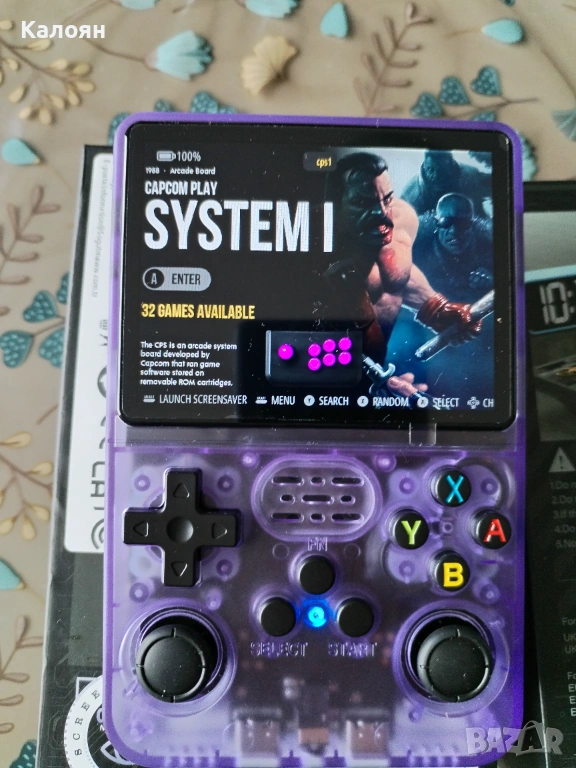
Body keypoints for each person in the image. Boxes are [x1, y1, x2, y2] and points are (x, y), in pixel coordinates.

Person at [323, 152, 482, 399]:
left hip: (375, 379)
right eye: (362, 202)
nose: (382, 213)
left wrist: (435, 308)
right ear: (333, 205)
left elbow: (393, 273)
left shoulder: (401, 220)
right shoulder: (310, 243)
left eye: (386, 199)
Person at [412, 193, 493, 303]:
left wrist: (493, 283)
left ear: (471, 226)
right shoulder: (416, 255)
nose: (454, 231)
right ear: (437, 224)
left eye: (462, 223)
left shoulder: (489, 251)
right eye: (446, 222)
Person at [401, 149, 492, 218]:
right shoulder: (410, 197)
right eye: (430, 170)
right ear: (425, 167)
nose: (436, 176)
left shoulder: (471, 177)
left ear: (451, 166)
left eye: (442, 171)